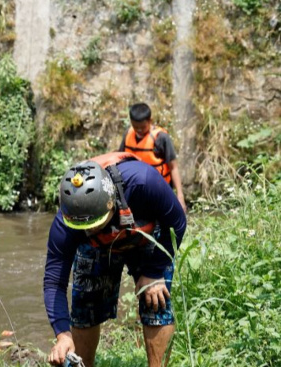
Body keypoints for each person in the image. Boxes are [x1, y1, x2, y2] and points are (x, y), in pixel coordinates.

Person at [43, 152, 186, 367]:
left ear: (111, 203)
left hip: (143, 231)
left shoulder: (143, 182)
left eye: (95, 224)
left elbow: (177, 221)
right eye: (84, 227)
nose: (90, 230)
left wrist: (154, 271)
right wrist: (62, 334)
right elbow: (54, 282)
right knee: (85, 308)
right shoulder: (67, 222)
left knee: (157, 300)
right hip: (95, 249)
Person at [118, 103, 187, 212]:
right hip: (135, 190)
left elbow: (173, 167)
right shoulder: (128, 134)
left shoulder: (161, 138)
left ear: (150, 121)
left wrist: (180, 196)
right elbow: (119, 159)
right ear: (131, 122)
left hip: (159, 190)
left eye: (143, 127)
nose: (139, 130)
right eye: (136, 127)